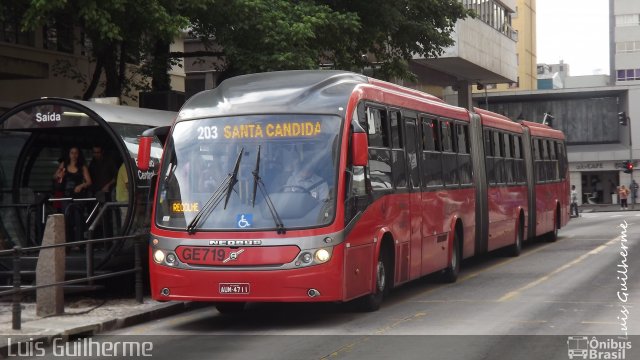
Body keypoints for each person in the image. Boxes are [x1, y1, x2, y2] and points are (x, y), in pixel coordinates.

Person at [53, 146, 92, 241]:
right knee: (66, 219)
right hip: (66, 195)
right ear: (69, 154)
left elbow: (89, 182)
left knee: (78, 218)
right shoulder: (64, 165)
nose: (74, 155)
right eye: (72, 153)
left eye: (76, 153)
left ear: (78, 155)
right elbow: (55, 176)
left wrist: (81, 186)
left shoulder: (82, 167)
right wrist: (59, 175)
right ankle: (67, 241)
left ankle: (78, 242)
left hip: (78, 196)